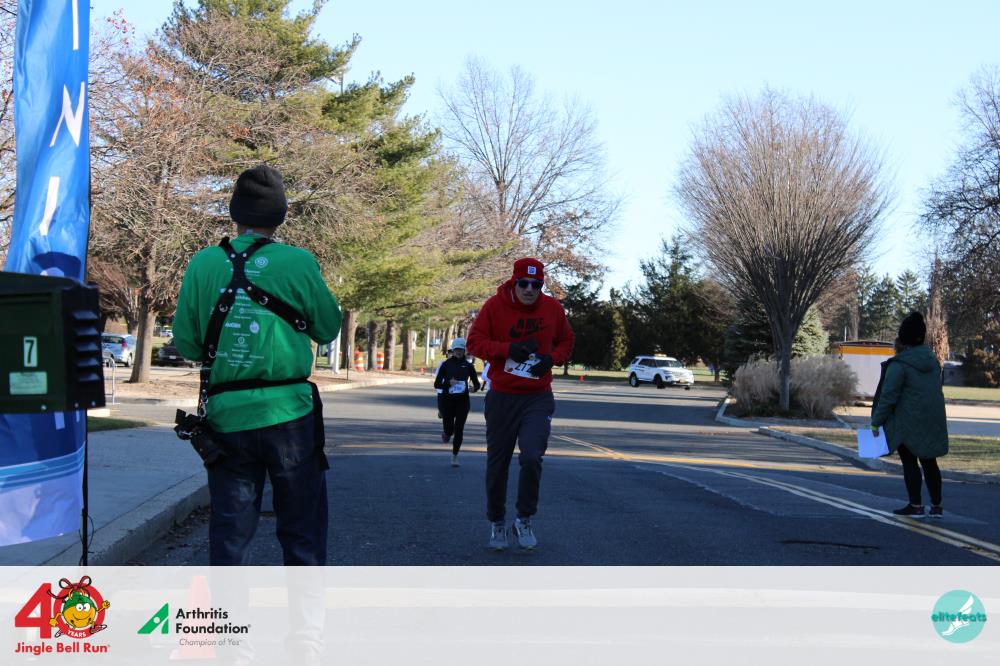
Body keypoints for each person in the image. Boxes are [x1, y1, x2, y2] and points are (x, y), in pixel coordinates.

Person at [174, 164, 343, 565]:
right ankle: (305, 610)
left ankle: (228, 607)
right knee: (302, 530)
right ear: (280, 215)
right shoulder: (298, 262)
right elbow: (327, 327)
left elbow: (187, 343)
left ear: (235, 213)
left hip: (227, 415)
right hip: (291, 414)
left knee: (230, 534)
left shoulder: (203, 263)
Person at [466, 258, 575, 550]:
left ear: (542, 285)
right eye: (524, 283)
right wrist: (507, 350)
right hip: (502, 396)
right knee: (498, 463)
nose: (529, 289)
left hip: (537, 397)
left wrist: (551, 359)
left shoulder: (553, 309)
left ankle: (524, 518)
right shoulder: (494, 306)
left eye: (536, 284)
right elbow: (474, 343)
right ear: (514, 282)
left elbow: (566, 341)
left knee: (531, 456)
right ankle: (497, 522)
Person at [870, 311, 949, 518]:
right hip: (932, 419)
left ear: (902, 338)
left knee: (910, 462)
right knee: (930, 461)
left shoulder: (900, 364)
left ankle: (915, 505)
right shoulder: (933, 361)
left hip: (907, 422)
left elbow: (888, 396)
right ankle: (937, 506)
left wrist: (876, 422)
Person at [434, 338, 481, 466]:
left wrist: (474, 388)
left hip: (463, 401)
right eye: (456, 350)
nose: (459, 352)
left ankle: (454, 457)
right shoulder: (446, 364)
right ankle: (447, 432)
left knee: (459, 429)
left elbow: (477, 384)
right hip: (447, 401)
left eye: (461, 349)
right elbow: (437, 384)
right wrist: (448, 383)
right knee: (450, 430)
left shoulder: (469, 366)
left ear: (464, 350)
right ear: (453, 351)